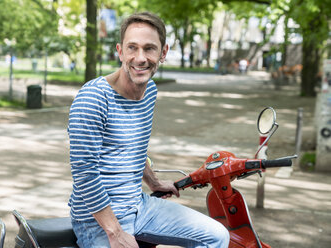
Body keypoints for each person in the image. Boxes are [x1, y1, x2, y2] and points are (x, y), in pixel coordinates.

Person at [67, 12, 230, 248]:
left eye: (149, 48)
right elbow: (84, 174)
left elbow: (134, 147)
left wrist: (153, 182)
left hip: (139, 206)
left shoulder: (149, 91)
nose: (140, 58)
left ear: (163, 53)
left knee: (217, 236)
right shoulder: (93, 99)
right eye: (132, 48)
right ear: (120, 51)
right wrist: (115, 232)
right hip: (97, 221)